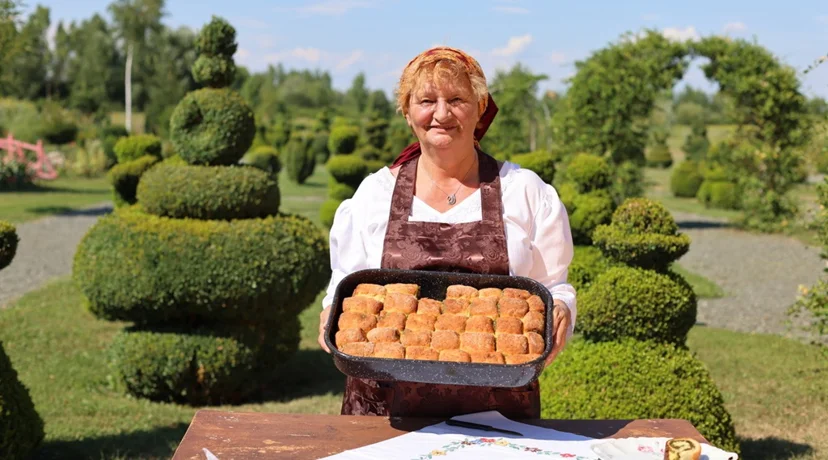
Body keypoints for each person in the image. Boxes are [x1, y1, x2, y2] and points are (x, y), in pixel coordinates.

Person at [317, 46, 576, 419]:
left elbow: (553, 286)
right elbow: (346, 285)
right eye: (426, 100)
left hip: (497, 413)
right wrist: (331, 313)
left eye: (457, 99)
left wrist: (562, 308)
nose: (441, 113)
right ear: (407, 112)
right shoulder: (375, 197)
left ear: (480, 108)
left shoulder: (524, 192)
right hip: (384, 414)